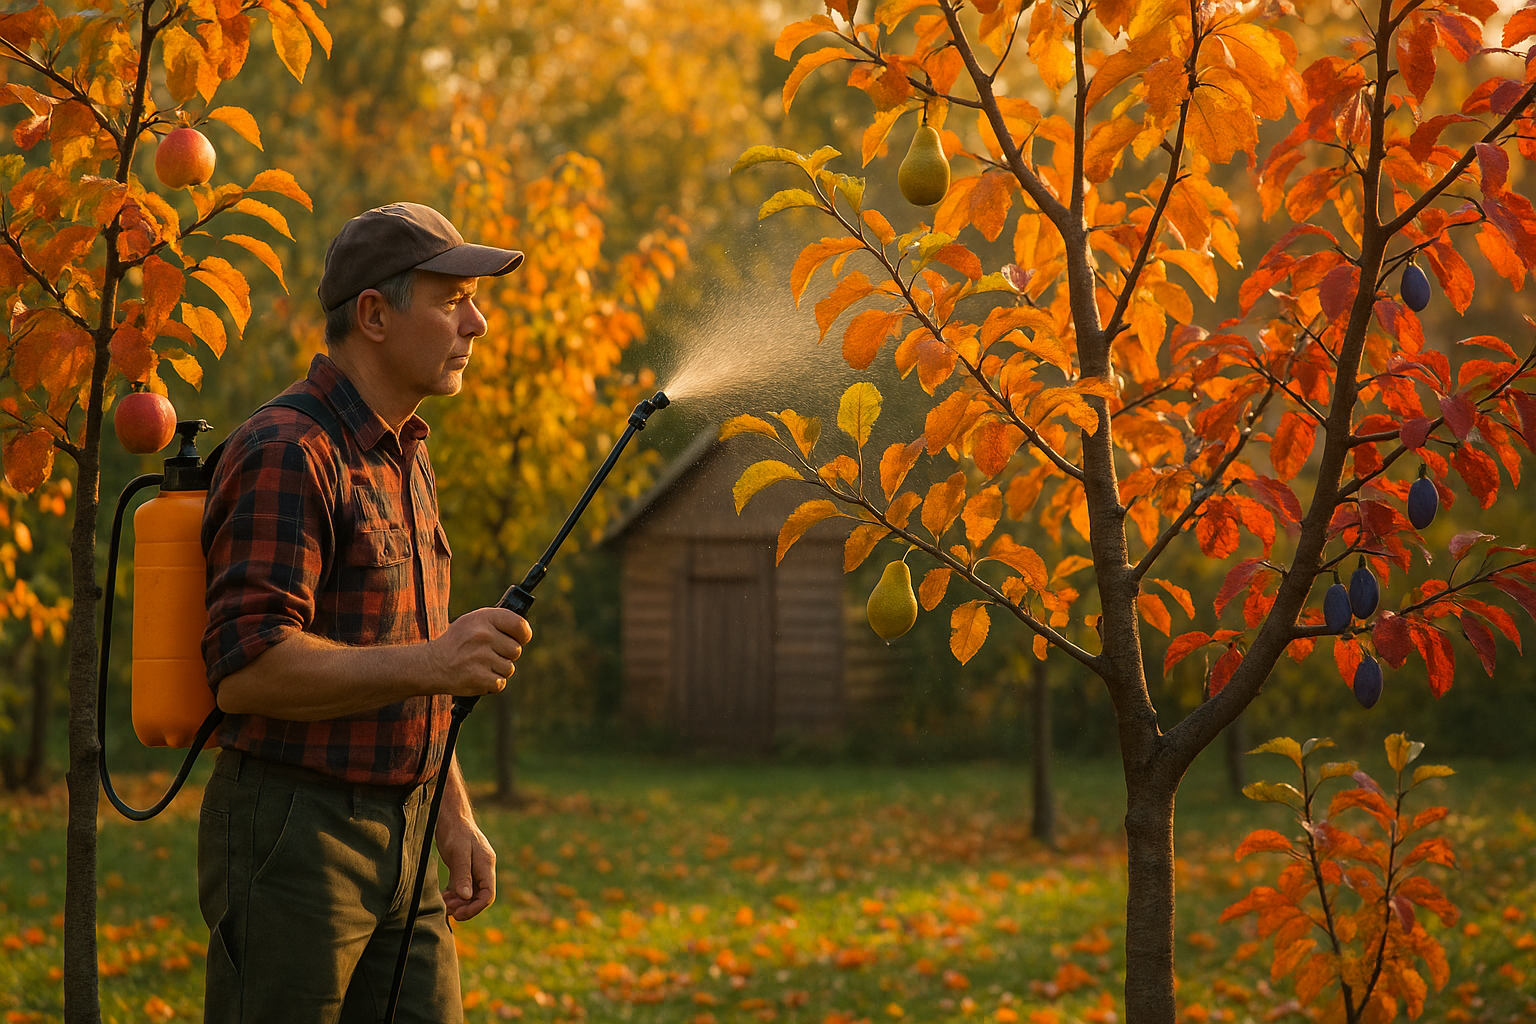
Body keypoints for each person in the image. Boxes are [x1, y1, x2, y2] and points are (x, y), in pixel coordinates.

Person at [197, 202, 532, 1023]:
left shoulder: (406, 453)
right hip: (295, 834)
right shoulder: (288, 450)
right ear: (375, 315)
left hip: (410, 832)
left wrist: (451, 816)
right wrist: (437, 663)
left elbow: (414, 653)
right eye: (452, 300)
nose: (477, 323)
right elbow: (246, 670)